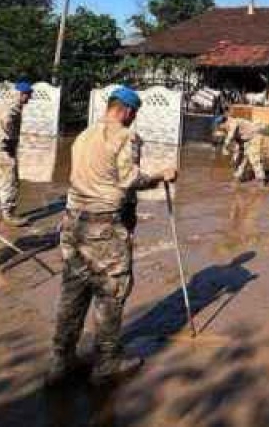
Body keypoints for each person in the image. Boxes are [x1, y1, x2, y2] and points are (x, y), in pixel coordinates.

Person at [46, 87, 177, 387]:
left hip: (73, 223)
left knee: (73, 291)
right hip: (103, 226)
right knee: (110, 291)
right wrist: (161, 175)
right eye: (135, 114)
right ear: (128, 111)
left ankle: (60, 360)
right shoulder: (124, 137)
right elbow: (129, 179)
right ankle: (107, 363)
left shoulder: (84, 135)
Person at [0, 81, 34, 227]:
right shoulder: (12, 108)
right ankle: (8, 214)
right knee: (9, 182)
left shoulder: (1, 104)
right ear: (22, 94)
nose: (29, 99)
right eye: (28, 96)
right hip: (4, 151)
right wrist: (5, 138)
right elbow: (6, 119)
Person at [222, 115, 266, 183]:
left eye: (221, 125)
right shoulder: (228, 126)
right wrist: (235, 155)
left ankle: (260, 179)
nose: (221, 127)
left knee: (254, 159)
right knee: (238, 159)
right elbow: (236, 140)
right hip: (243, 140)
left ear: (224, 123)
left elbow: (230, 136)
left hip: (254, 137)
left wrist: (225, 146)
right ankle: (238, 177)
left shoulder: (233, 122)